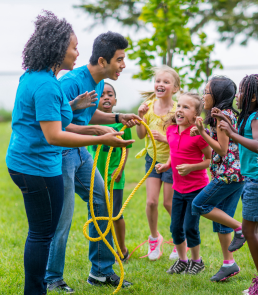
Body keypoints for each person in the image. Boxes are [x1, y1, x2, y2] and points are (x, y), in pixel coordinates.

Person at [6, 11, 135, 295]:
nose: (78, 52)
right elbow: (55, 134)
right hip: (42, 162)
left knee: (95, 202)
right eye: (74, 47)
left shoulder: (41, 78)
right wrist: (100, 137)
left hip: (42, 160)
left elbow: (64, 115)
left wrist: (101, 115)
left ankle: (98, 271)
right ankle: (42, 291)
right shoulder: (52, 84)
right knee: (48, 229)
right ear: (56, 47)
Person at [45, 31, 141, 292]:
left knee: (102, 202)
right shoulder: (71, 83)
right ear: (103, 60)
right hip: (63, 152)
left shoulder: (97, 81)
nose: (123, 65)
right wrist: (100, 136)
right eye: (119, 59)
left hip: (81, 153)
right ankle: (52, 278)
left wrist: (118, 118)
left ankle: (100, 271)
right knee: (63, 218)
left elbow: (90, 114)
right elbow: (58, 125)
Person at [218, 74, 258, 295]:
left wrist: (231, 133)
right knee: (254, 229)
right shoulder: (251, 117)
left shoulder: (257, 118)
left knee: (249, 230)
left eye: (241, 91)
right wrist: (228, 123)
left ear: (251, 98)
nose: (237, 95)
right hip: (255, 179)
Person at [191, 76, 245, 282]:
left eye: (206, 92)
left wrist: (204, 134)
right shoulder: (225, 115)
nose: (203, 96)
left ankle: (241, 229)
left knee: (199, 205)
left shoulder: (222, 118)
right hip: (236, 175)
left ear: (218, 95)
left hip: (228, 176)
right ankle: (228, 264)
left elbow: (222, 150)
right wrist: (205, 131)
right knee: (222, 221)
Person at [156, 93, 211, 274]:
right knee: (175, 227)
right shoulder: (171, 130)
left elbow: (211, 159)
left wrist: (191, 168)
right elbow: (174, 152)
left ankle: (197, 261)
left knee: (189, 227)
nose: (179, 109)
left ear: (196, 116)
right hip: (178, 189)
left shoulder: (198, 134)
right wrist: (166, 165)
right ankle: (182, 260)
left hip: (196, 189)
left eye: (186, 107)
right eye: (178, 106)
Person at [135, 65, 181, 261]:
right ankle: (155, 238)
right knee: (151, 202)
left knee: (169, 203)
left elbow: (182, 139)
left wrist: (164, 139)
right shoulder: (148, 107)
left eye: (166, 82)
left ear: (175, 88)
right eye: (158, 81)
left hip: (172, 160)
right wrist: (139, 117)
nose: (160, 84)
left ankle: (180, 242)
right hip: (152, 160)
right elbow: (140, 135)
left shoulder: (178, 109)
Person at [87, 82, 131, 261]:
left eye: (110, 94)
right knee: (99, 215)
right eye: (102, 94)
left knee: (115, 214)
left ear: (115, 100)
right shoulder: (88, 122)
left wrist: (120, 169)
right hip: (94, 175)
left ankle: (122, 249)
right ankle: (104, 250)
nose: (106, 97)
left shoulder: (122, 125)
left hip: (114, 176)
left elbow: (125, 148)